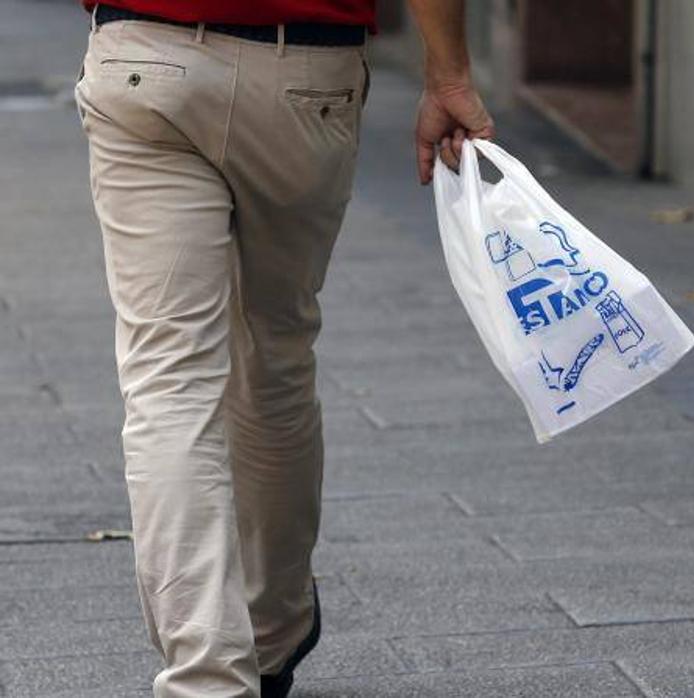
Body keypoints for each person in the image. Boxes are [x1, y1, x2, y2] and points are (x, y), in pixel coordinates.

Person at [74, 1, 494, 695]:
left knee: (168, 380)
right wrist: (448, 73)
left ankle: (208, 675)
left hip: (144, 59)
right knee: (276, 352)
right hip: (305, 73)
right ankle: (271, 630)